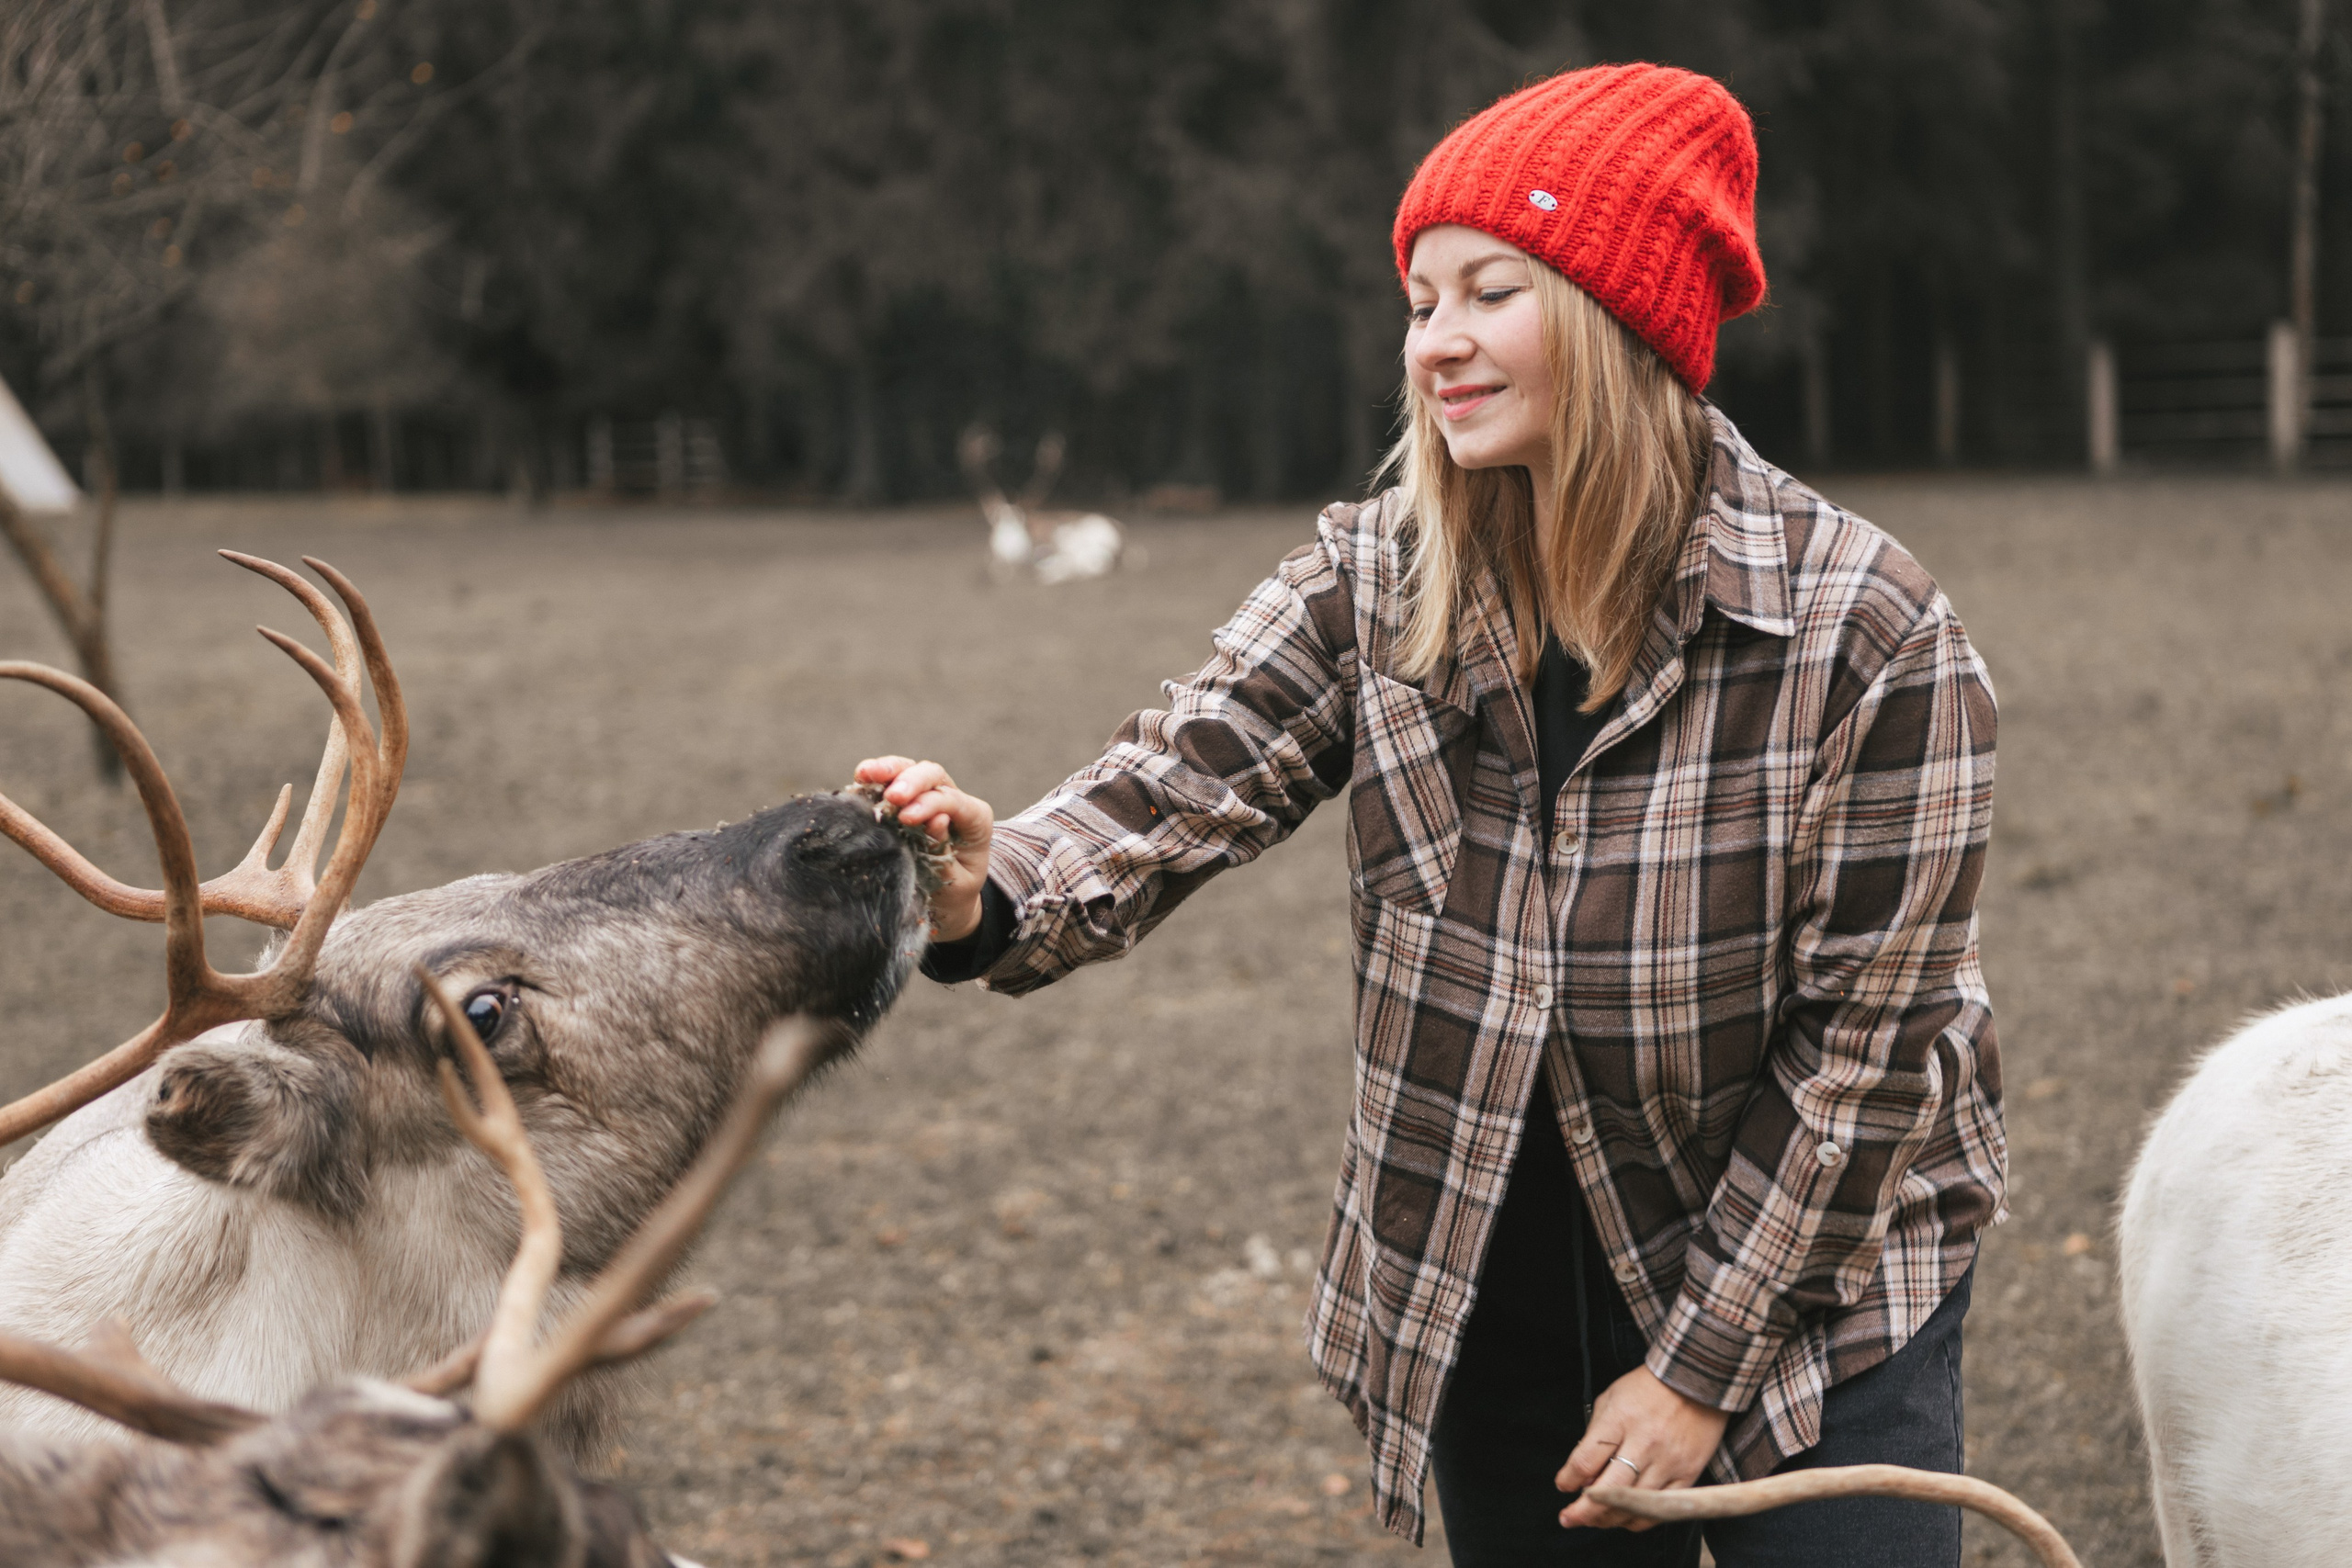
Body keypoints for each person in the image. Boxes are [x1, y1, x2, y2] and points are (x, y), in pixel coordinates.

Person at [856, 62, 2002, 1568]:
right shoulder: (1375, 580)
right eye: (1419, 301)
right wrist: (984, 889)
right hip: (1497, 1263)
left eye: (1487, 292)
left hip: (1819, 1280)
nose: (1435, 346)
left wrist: (1695, 1374)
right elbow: (1175, 778)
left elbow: (1867, 1056)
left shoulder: (1869, 635)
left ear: (1616, 315)